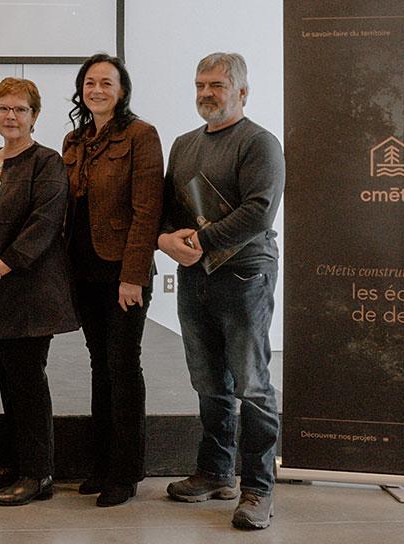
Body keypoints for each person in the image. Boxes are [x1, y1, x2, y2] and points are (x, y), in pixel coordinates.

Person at [158, 52, 284, 531]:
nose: (206, 93)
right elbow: (170, 207)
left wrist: (200, 241)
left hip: (245, 276)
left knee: (251, 384)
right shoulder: (184, 144)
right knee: (208, 380)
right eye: (200, 85)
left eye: (216, 85)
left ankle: (256, 487)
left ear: (242, 92)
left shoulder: (259, 143)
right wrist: (168, 240)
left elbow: (258, 212)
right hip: (196, 274)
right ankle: (215, 472)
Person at [0, 77, 77, 507]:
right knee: (7, 380)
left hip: (28, 294)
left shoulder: (47, 162)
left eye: (20, 110)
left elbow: (43, 227)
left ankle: (38, 473)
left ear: (35, 116)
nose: (11, 117)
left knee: (27, 382)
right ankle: (16, 461)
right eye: (4, 108)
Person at [61, 54, 163, 507]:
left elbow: (147, 212)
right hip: (83, 271)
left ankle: (125, 471)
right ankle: (101, 464)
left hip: (121, 274)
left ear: (122, 91)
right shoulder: (75, 139)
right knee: (99, 367)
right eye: (89, 82)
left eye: (106, 82)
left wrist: (133, 276)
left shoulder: (141, 136)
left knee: (123, 367)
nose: (96, 89)